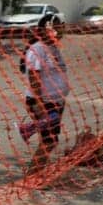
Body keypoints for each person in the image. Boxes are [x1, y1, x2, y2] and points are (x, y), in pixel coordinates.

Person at [22, 13, 69, 174]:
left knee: (50, 140)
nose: (60, 31)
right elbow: (34, 77)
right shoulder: (37, 49)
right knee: (49, 141)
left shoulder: (54, 48)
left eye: (60, 27)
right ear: (44, 30)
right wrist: (39, 103)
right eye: (56, 28)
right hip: (42, 102)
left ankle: (35, 175)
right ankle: (31, 177)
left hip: (55, 101)